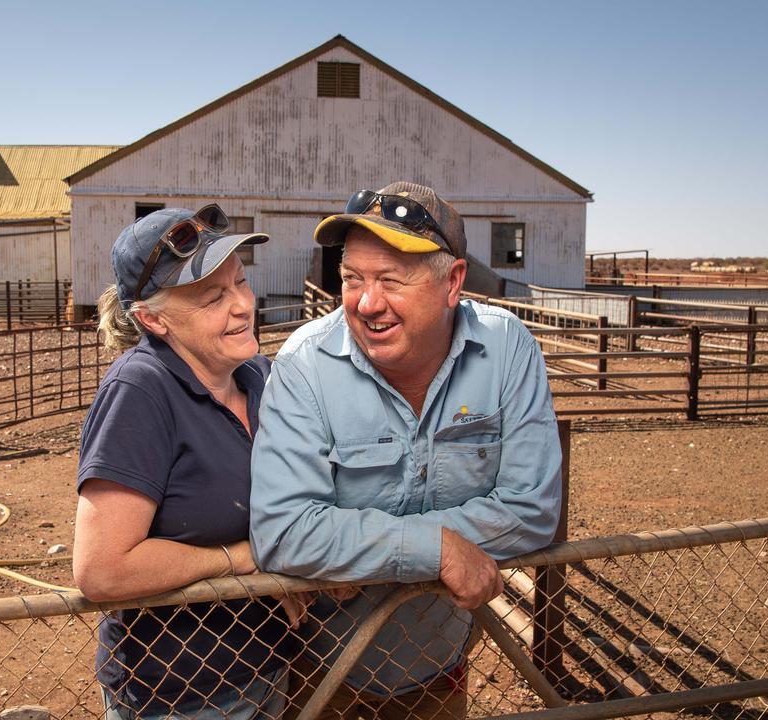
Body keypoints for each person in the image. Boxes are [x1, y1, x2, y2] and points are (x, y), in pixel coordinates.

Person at [249, 181, 563, 718]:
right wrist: (438, 549)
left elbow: (532, 508)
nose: (368, 303)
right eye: (352, 279)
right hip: (318, 674)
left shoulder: (507, 348)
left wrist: (357, 552)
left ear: (453, 283)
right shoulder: (304, 364)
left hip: (439, 670)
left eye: (391, 280)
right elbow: (284, 531)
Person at [73, 206, 304, 720]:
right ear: (153, 319)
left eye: (241, 282)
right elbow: (102, 570)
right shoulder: (141, 391)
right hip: (181, 693)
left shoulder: (256, 376)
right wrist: (244, 560)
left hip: (268, 666)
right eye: (213, 297)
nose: (244, 306)